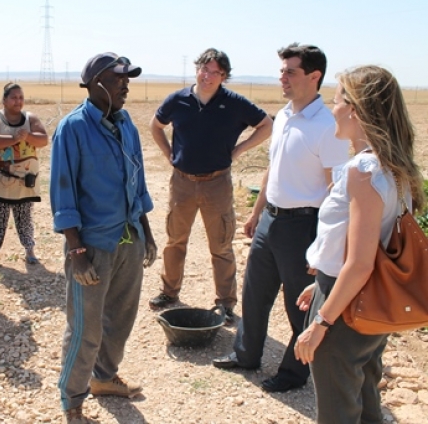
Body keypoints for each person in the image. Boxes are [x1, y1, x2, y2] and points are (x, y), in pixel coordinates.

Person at [213, 44, 350, 393]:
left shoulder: (327, 126)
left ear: (314, 77)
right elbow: (274, 169)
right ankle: (246, 355)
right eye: (281, 71)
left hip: (303, 226)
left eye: (290, 71)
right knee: (254, 294)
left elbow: (336, 189)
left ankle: (294, 373)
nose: (282, 77)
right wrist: (257, 212)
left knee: (297, 304)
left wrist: (327, 242)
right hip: (271, 221)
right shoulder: (286, 114)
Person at [293, 66, 424, 423]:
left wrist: (320, 322)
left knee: (338, 410)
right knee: (365, 396)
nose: (331, 108)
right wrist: (319, 279)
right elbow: (372, 246)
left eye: (336, 100)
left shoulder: (364, 171)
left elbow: (361, 263)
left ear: (354, 109)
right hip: (368, 297)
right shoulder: (396, 167)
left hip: (347, 303)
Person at [50, 52, 157, 424]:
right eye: (118, 80)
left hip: (129, 237)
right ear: (96, 85)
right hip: (92, 245)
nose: (125, 86)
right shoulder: (73, 128)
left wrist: (147, 231)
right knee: (85, 327)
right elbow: (63, 195)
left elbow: (138, 182)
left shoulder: (127, 125)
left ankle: (104, 377)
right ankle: (72, 402)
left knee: (121, 318)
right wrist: (76, 251)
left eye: (127, 79)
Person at [148, 48, 273, 325]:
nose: (208, 76)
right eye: (204, 69)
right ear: (197, 70)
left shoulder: (235, 103)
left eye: (215, 72)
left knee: (221, 245)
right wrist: (169, 154)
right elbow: (155, 126)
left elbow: (266, 125)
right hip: (182, 183)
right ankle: (169, 293)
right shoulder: (178, 100)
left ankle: (226, 303)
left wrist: (239, 150)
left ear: (224, 76)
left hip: (217, 183)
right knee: (175, 240)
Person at [0, 83, 48, 270]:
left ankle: (30, 251)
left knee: (25, 217)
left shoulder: (30, 119)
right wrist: (13, 139)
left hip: (24, 182)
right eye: (13, 97)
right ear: (4, 100)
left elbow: (43, 139)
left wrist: (27, 136)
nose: (18, 101)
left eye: (21, 97)